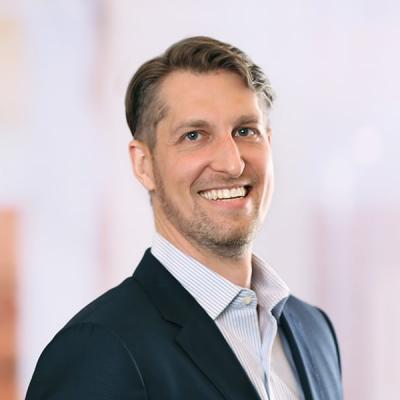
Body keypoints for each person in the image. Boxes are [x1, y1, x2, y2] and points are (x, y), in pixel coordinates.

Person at [26, 36, 343, 400]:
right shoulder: (98, 350)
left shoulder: (314, 331)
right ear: (144, 165)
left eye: (245, 131)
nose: (232, 163)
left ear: (268, 144)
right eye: (194, 135)